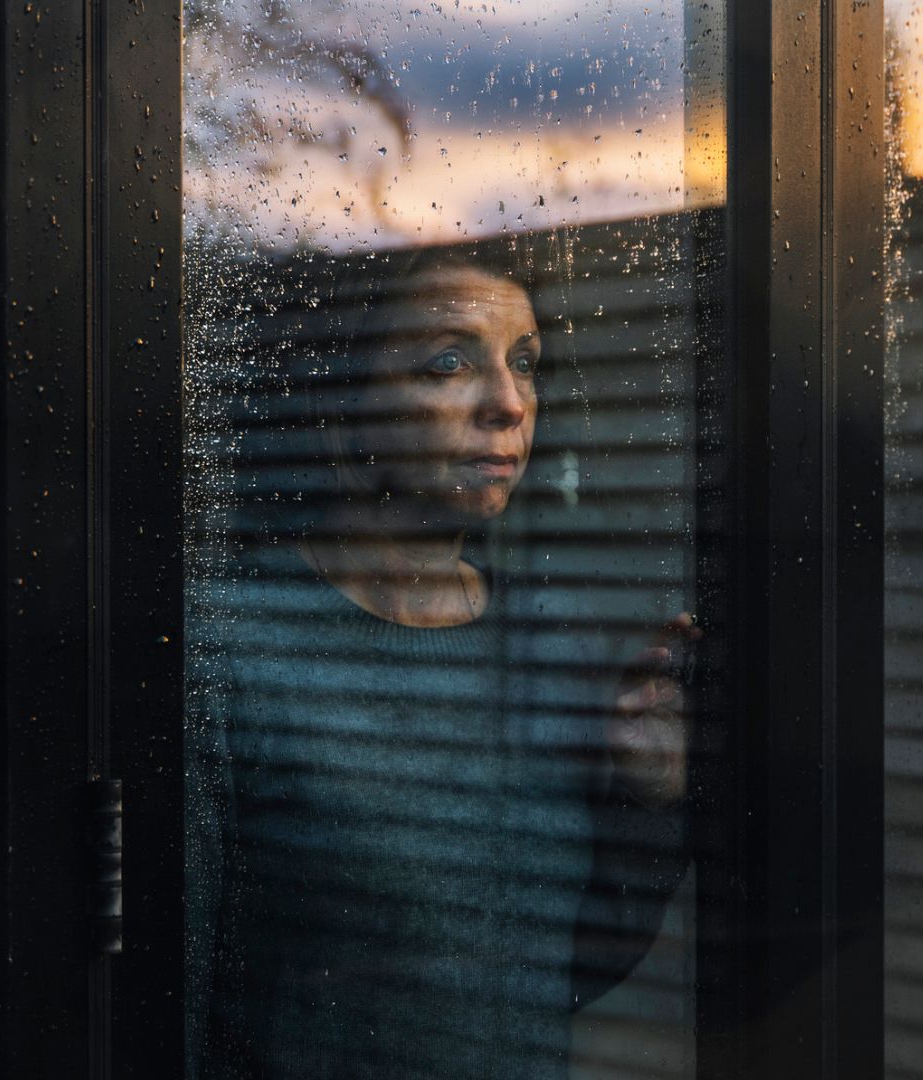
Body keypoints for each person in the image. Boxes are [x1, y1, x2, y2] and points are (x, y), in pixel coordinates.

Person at [188, 240, 697, 1078]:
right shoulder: (232, 645)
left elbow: (552, 977)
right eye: (449, 362)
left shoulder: (547, 645)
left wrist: (649, 799)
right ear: (342, 401)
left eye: (525, 363)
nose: (508, 403)